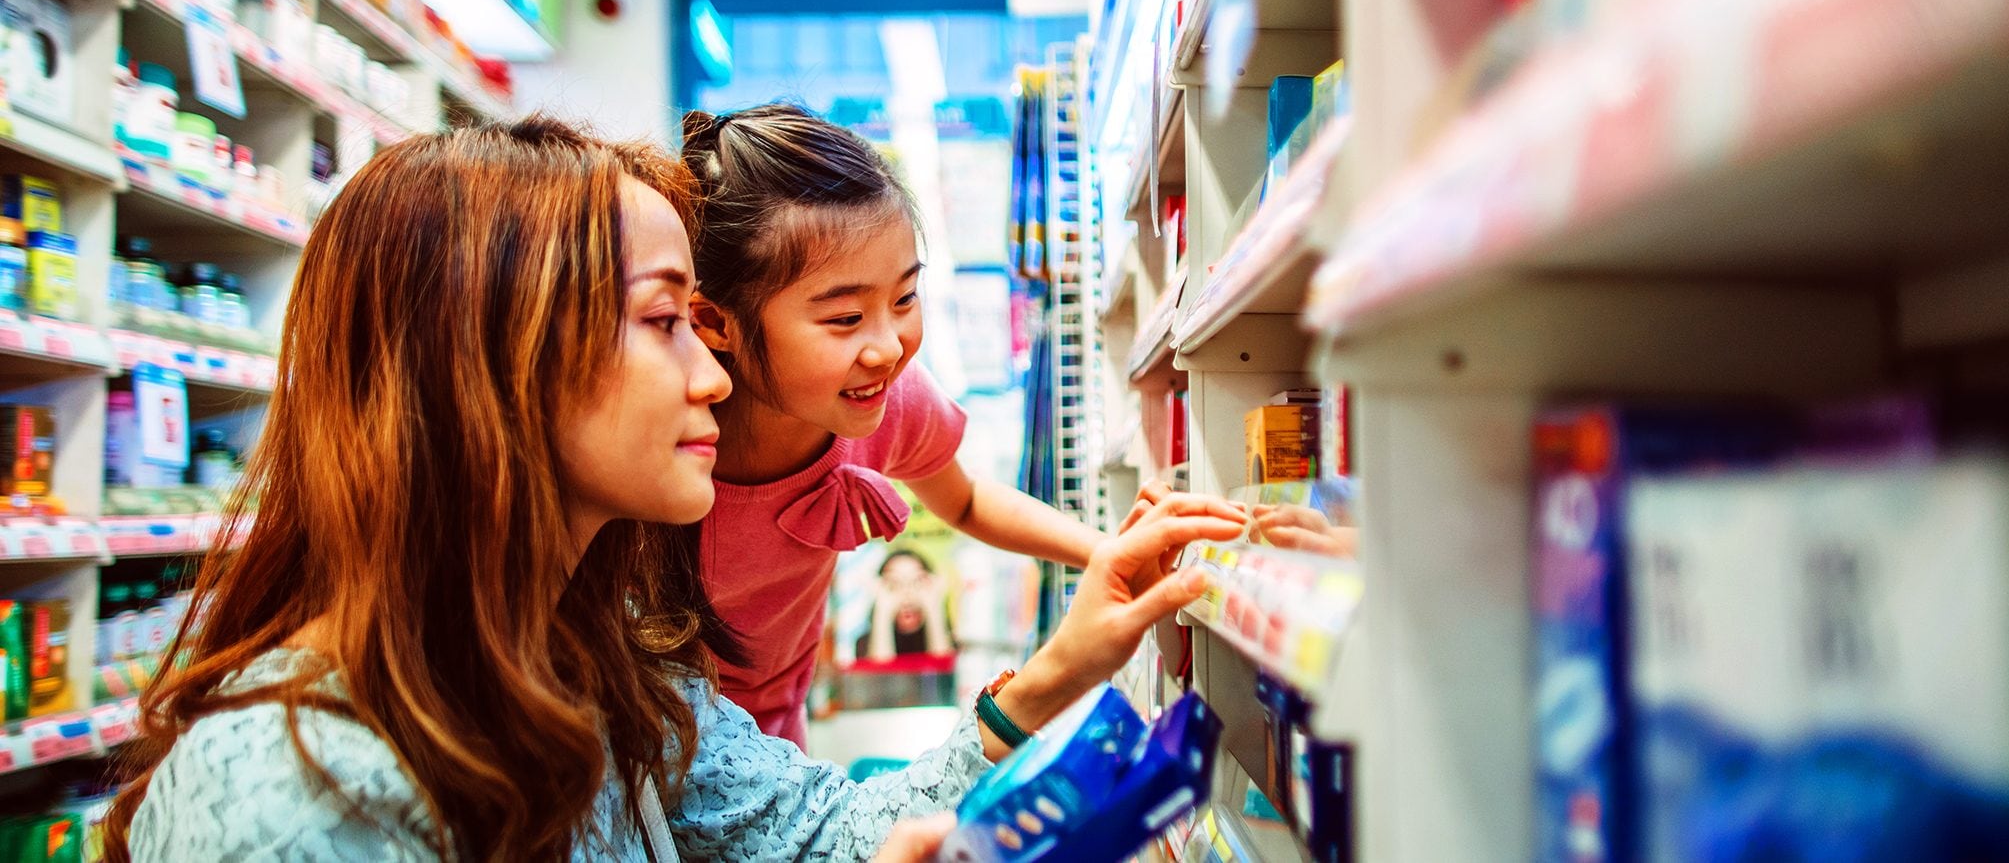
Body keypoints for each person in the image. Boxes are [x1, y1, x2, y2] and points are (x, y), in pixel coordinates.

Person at [100, 117, 1246, 861]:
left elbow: (806, 825)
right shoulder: (300, 791)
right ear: (493, 367)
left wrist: (1058, 668)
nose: (713, 373)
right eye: (665, 323)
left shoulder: (595, 665)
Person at [678, 104, 1106, 748]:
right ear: (715, 323)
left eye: (904, 299)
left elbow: (963, 499)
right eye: (845, 318)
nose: (888, 347)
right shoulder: (664, 438)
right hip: (652, 742)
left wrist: (1102, 551)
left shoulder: (888, 399)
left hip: (778, 741)